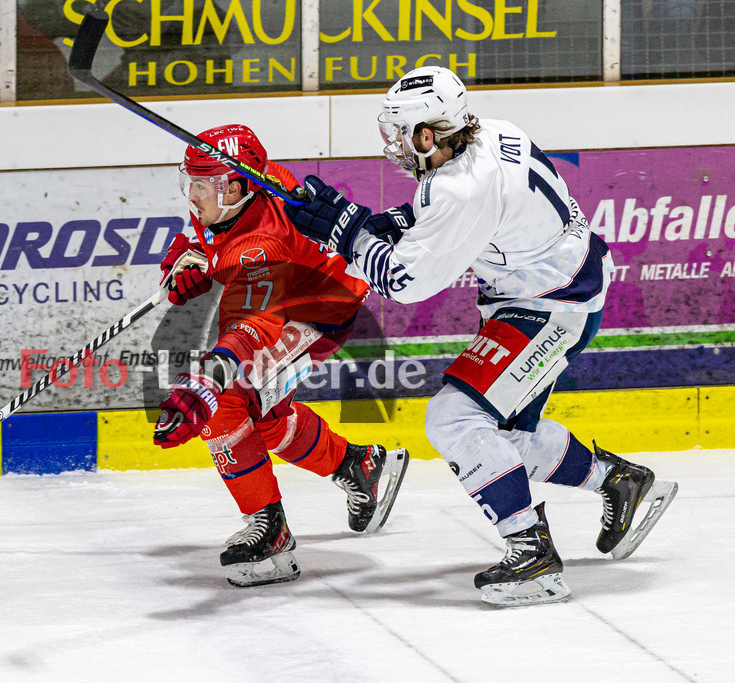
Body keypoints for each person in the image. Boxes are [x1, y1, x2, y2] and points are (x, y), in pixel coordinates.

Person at [283, 66, 678, 606]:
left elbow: (403, 281)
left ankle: (532, 554)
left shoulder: (461, 188)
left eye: (401, 132)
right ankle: (620, 482)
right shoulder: (489, 132)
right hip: (554, 288)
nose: (394, 144)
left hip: (550, 306)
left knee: (455, 418)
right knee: (500, 438)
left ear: (428, 134)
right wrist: (357, 221)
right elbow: (434, 219)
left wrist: (348, 234)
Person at [152, 124, 410, 588]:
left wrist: (208, 380)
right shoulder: (245, 186)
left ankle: (271, 532)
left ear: (233, 188)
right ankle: (357, 465)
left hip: (315, 311)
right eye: (190, 180)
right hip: (294, 296)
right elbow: (205, 240)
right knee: (259, 415)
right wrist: (183, 263)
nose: (193, 194)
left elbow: (254, 328)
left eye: (202, 184)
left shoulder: (263, 245)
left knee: (227, 401)